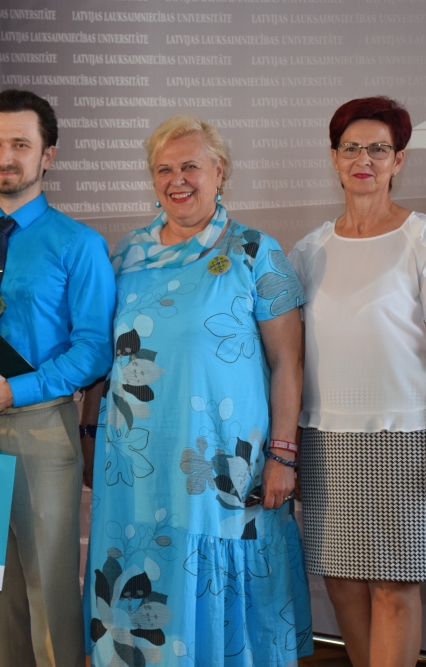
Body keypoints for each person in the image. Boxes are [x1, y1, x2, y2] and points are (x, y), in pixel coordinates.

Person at [80, 115, 314, 666]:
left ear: (220, 172)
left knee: (220, 582)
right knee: (142, 570)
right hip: (135, 468)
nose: (177, 180)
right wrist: (89, 440)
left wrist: (283, 455)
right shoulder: (125, 257)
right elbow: (104, 362)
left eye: (190, 166)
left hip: (224, 468)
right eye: (164, 169)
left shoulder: (255, 252)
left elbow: (289, 362)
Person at [0, 89, 116, 667]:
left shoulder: (79, 244)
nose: (5, 157)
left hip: (41, 427)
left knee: (48, 591)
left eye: (20, 144)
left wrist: (15, 389)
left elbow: (95, 349)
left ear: (47, 155)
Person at [288, 96, 426, 666]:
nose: (363, 160)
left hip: (409, 439)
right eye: (351, 148)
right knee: (342, 583)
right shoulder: (309, 250)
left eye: (378, 148)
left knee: (395, 587)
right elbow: (292, 358)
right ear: (334, 158)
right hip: (325, 440)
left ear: (399, 160)